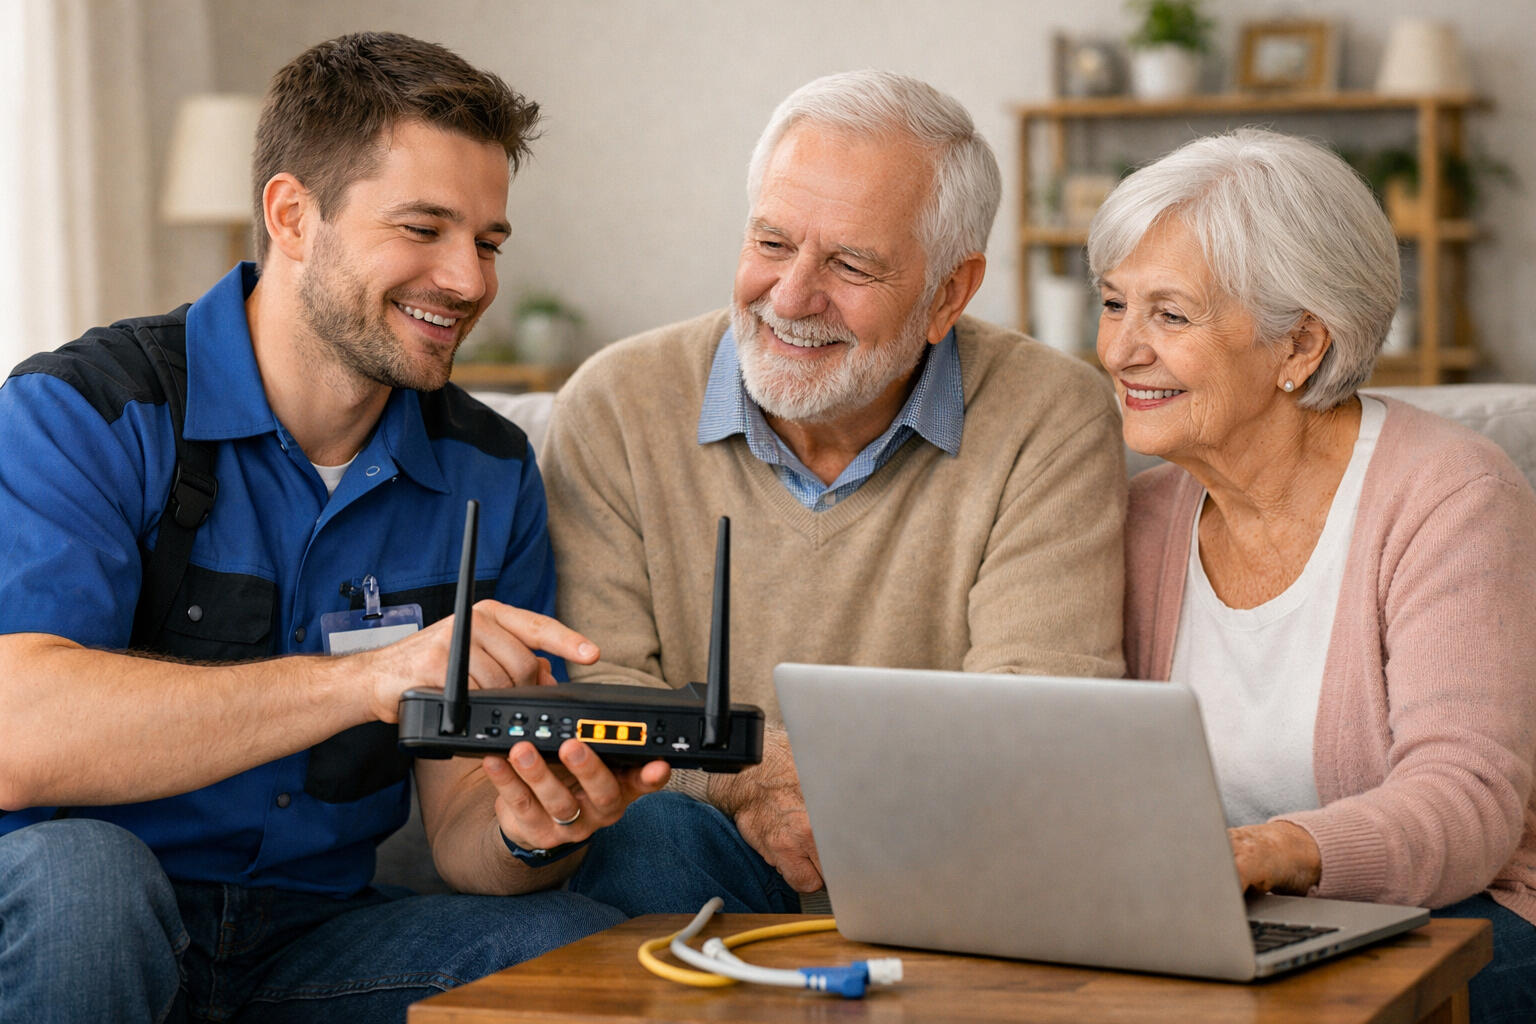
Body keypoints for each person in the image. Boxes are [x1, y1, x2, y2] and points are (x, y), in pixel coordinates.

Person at [0, 32, 671, 1023]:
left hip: (315, 939)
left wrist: (530, 830)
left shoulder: (488, 473)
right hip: (85, 921)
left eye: (488, 243)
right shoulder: (87, 411)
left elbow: (462, 828)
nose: (468, 280)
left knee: (567, 947)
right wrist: (364, 681)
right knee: (88, 882)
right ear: (292, 216)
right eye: (424, 228)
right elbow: (18, 730)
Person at [541, 70, 1127, 915]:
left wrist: (825, 791)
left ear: (949, 292)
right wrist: (751, 775)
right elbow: (601, 696)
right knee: (653, 835)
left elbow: (1038, 716)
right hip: (695, 859)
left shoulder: (1052, 414)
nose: (790, 298)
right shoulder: (615, 404)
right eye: (772, 243)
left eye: (850, 264)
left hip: (942, 860)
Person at [1091, 128, 1536, 1021]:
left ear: (1300, 345)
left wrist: (1275, 851)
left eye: (1170, 316)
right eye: (1113, 303)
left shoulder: (1450, 495)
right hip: (1229, 925)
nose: (1121, 350)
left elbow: (1467, 802)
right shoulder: (1140, 519)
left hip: (1466, 915)